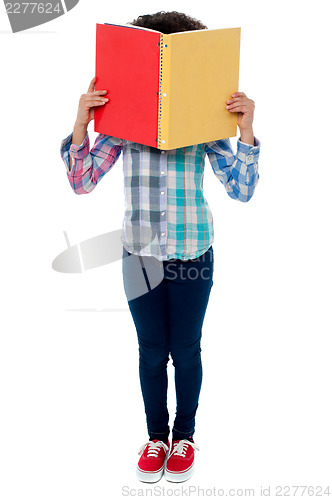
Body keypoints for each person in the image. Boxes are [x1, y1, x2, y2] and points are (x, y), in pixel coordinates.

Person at [60, 10, 261, 483]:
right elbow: (81, 181)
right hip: (140, 254)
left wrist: (246, 129)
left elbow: (242, 190)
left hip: (194, 252)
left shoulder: (205, 122)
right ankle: (156, 438)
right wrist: (81, 122)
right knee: (152, 350)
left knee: (185, 350)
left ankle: (184, 437)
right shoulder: (123, 122)